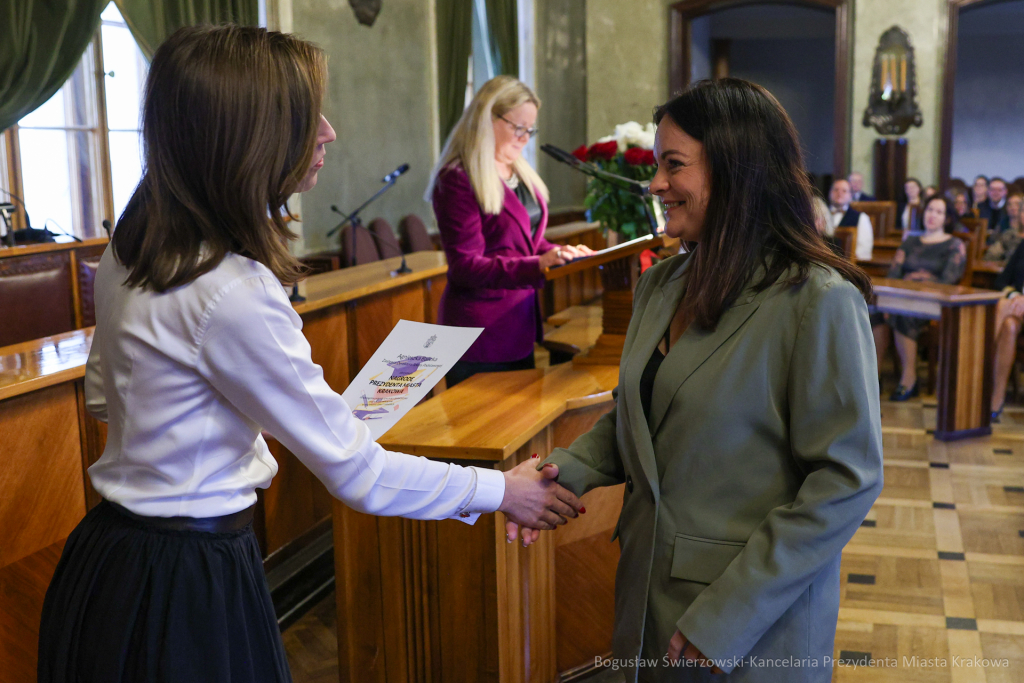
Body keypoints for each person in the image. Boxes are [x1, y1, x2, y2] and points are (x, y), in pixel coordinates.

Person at [37, 26, 582, 683]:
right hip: (188, 578)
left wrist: (217, 404)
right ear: (250, 132)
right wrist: (501, 489)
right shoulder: (231, 287)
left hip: (108, 560)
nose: (327, 132)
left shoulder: (131, 247)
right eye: (306, 114)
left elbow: (104, 396)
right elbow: (360, 475)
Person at [511, 78, 884, 682]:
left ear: (737, 169)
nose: (656, 184)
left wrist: (730, 615)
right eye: (657, 164)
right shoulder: (662, 284)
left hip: (750, 623)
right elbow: (641, 413)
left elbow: (844, 481)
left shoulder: (817, 300)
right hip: (649, 596)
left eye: (673, 165)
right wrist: (558, 475)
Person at [426, 76, 593, 388]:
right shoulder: (458, 179)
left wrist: (558, 253)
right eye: (518, 127)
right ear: (487, 118)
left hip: (518, 323)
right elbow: (465, 267)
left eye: (530, 129)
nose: (525, 137)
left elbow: (525, 240)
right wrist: (538, 265)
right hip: (481, 332)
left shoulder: (517, 171)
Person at [872, 196, 967, 401]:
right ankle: (873, 377)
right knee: (875, 313)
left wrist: (916, 281)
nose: (932, 215)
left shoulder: (955, 244)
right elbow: (894, 274)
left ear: (947, 219)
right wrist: (917, 280)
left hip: (935, 304)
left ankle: (909, 379)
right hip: (903, 297)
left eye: (939, 212)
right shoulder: (910, 241)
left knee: (903, 314)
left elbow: (947, 280)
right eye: (930, 209)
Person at [990, 196, 1024, 421]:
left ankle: (977, 370)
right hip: (1017, 309)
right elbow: (1001, 281)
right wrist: (1016, 295)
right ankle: (997, 396)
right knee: (1009, 327)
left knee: (1002, 305)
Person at [826, 178, 873, 260]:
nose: (839, 193)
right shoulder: (820, 214)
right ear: (830, 193)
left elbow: (864, 250)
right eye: (836, 190)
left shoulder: (861, 218)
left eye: (844, 191)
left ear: (850, 196)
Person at [984, 192, 1023, 262]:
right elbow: (993, 249)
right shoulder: (1003, 226)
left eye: (1017, 204)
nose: (1013, 207)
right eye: (1010, 204)